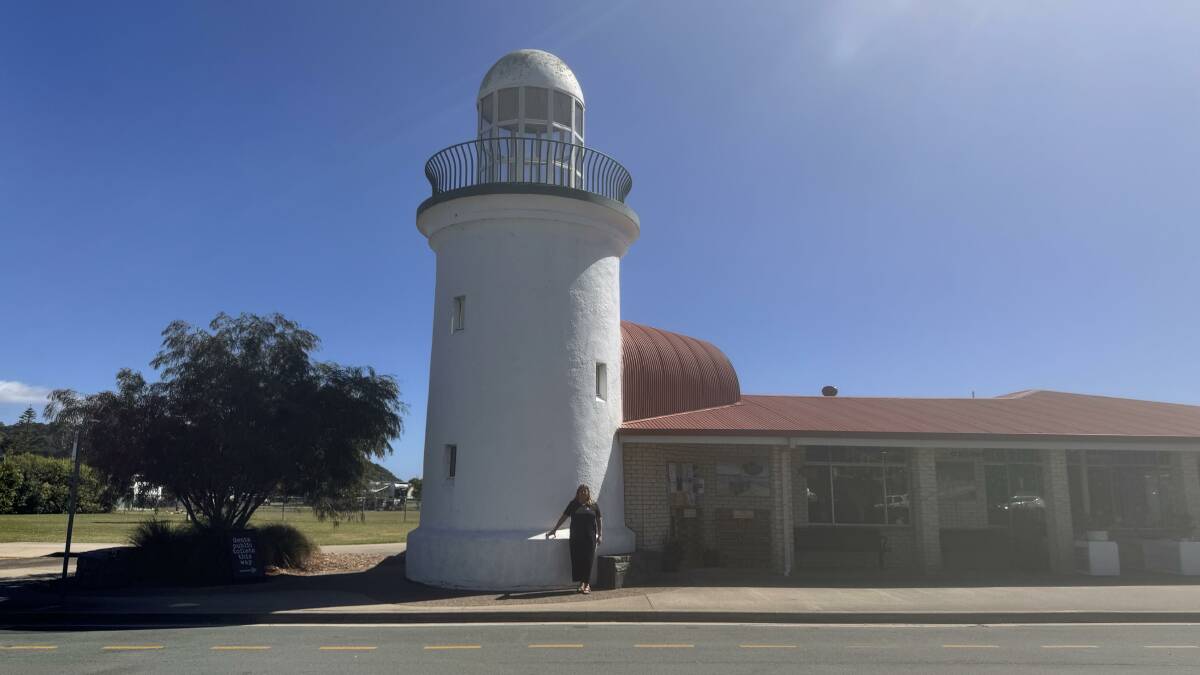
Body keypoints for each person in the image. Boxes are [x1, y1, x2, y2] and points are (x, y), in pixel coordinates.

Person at [547, 484, 603, 593]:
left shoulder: (593, 505)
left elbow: (599, 519)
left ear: (588, 493)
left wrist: (600, 534)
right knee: (578, 559)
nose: (583, 493)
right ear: (577, 493)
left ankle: (587, 585)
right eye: (581, 491)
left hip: (590, 537)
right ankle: (581, 584)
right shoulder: (573, 504)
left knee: (588, 559)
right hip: (576, 537)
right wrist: (555, 529)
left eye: (585, 491)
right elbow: (564, 517)